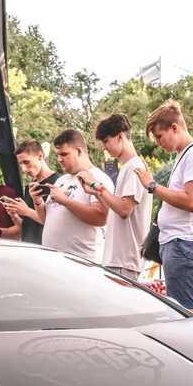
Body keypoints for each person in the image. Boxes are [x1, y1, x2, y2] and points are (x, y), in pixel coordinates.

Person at [134, 100, 193, 313]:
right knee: (191, 308)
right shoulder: (186, 155)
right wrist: (157, 232)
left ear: (174, 128)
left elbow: (192, 201)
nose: (158, 143)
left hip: (186, 244)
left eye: (159, 136)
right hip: (183, 243)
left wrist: (152, 186)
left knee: (183, 313)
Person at [78, 113, 150, 281]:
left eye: (106, 141)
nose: (104, 147)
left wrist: (97, 185)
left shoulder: (135, 166)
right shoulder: (127, 167)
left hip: (125, 259)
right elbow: (115, 211)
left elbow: (125, 210)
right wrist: (96, 193)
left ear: (120, 137)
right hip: (118, 259)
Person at [33, 130, 112, 259]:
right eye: (58, 154)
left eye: (64, 154)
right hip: (53, 260)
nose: (59, 159)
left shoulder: (98, 178)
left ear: (79, 151)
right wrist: (37, 201)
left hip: (81, 261)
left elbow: (101, 218)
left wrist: (65, 201)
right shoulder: (61, 180)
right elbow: (45, 220)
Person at [3, 140, 60, 245]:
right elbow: (27, 228)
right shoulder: (30, 187)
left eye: (26, 162)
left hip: (47, 248)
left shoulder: (58, 182)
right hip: (28, 248)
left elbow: (54, 223)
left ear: (40, 155)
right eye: (21, 164)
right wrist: (14, 215)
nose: (24, 169)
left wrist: (26, 211)